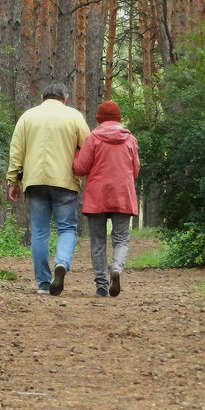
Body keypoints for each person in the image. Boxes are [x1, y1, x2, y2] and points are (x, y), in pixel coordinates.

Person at [7, 82, 90, 295]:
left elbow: (16, 151)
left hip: (34, 181)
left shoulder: (27, 117)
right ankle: (61, 264)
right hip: (64, 181)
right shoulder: (74, 117)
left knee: (40, 231)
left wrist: (13, 181)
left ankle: (43, 283)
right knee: (67, 228)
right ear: (65, 97)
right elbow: (89, 148)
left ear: (43, 96)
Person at [72, 100, 140, 297]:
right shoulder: (130, 140)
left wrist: (77, 153)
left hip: (97, 196)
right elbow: (135, 171)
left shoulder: (92, 139)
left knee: (98, 241)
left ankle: (101, 285)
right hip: (122, 195)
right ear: (119, 118)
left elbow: (80, 168)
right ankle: (116, 269)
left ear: (98, 119)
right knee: (121, 239)